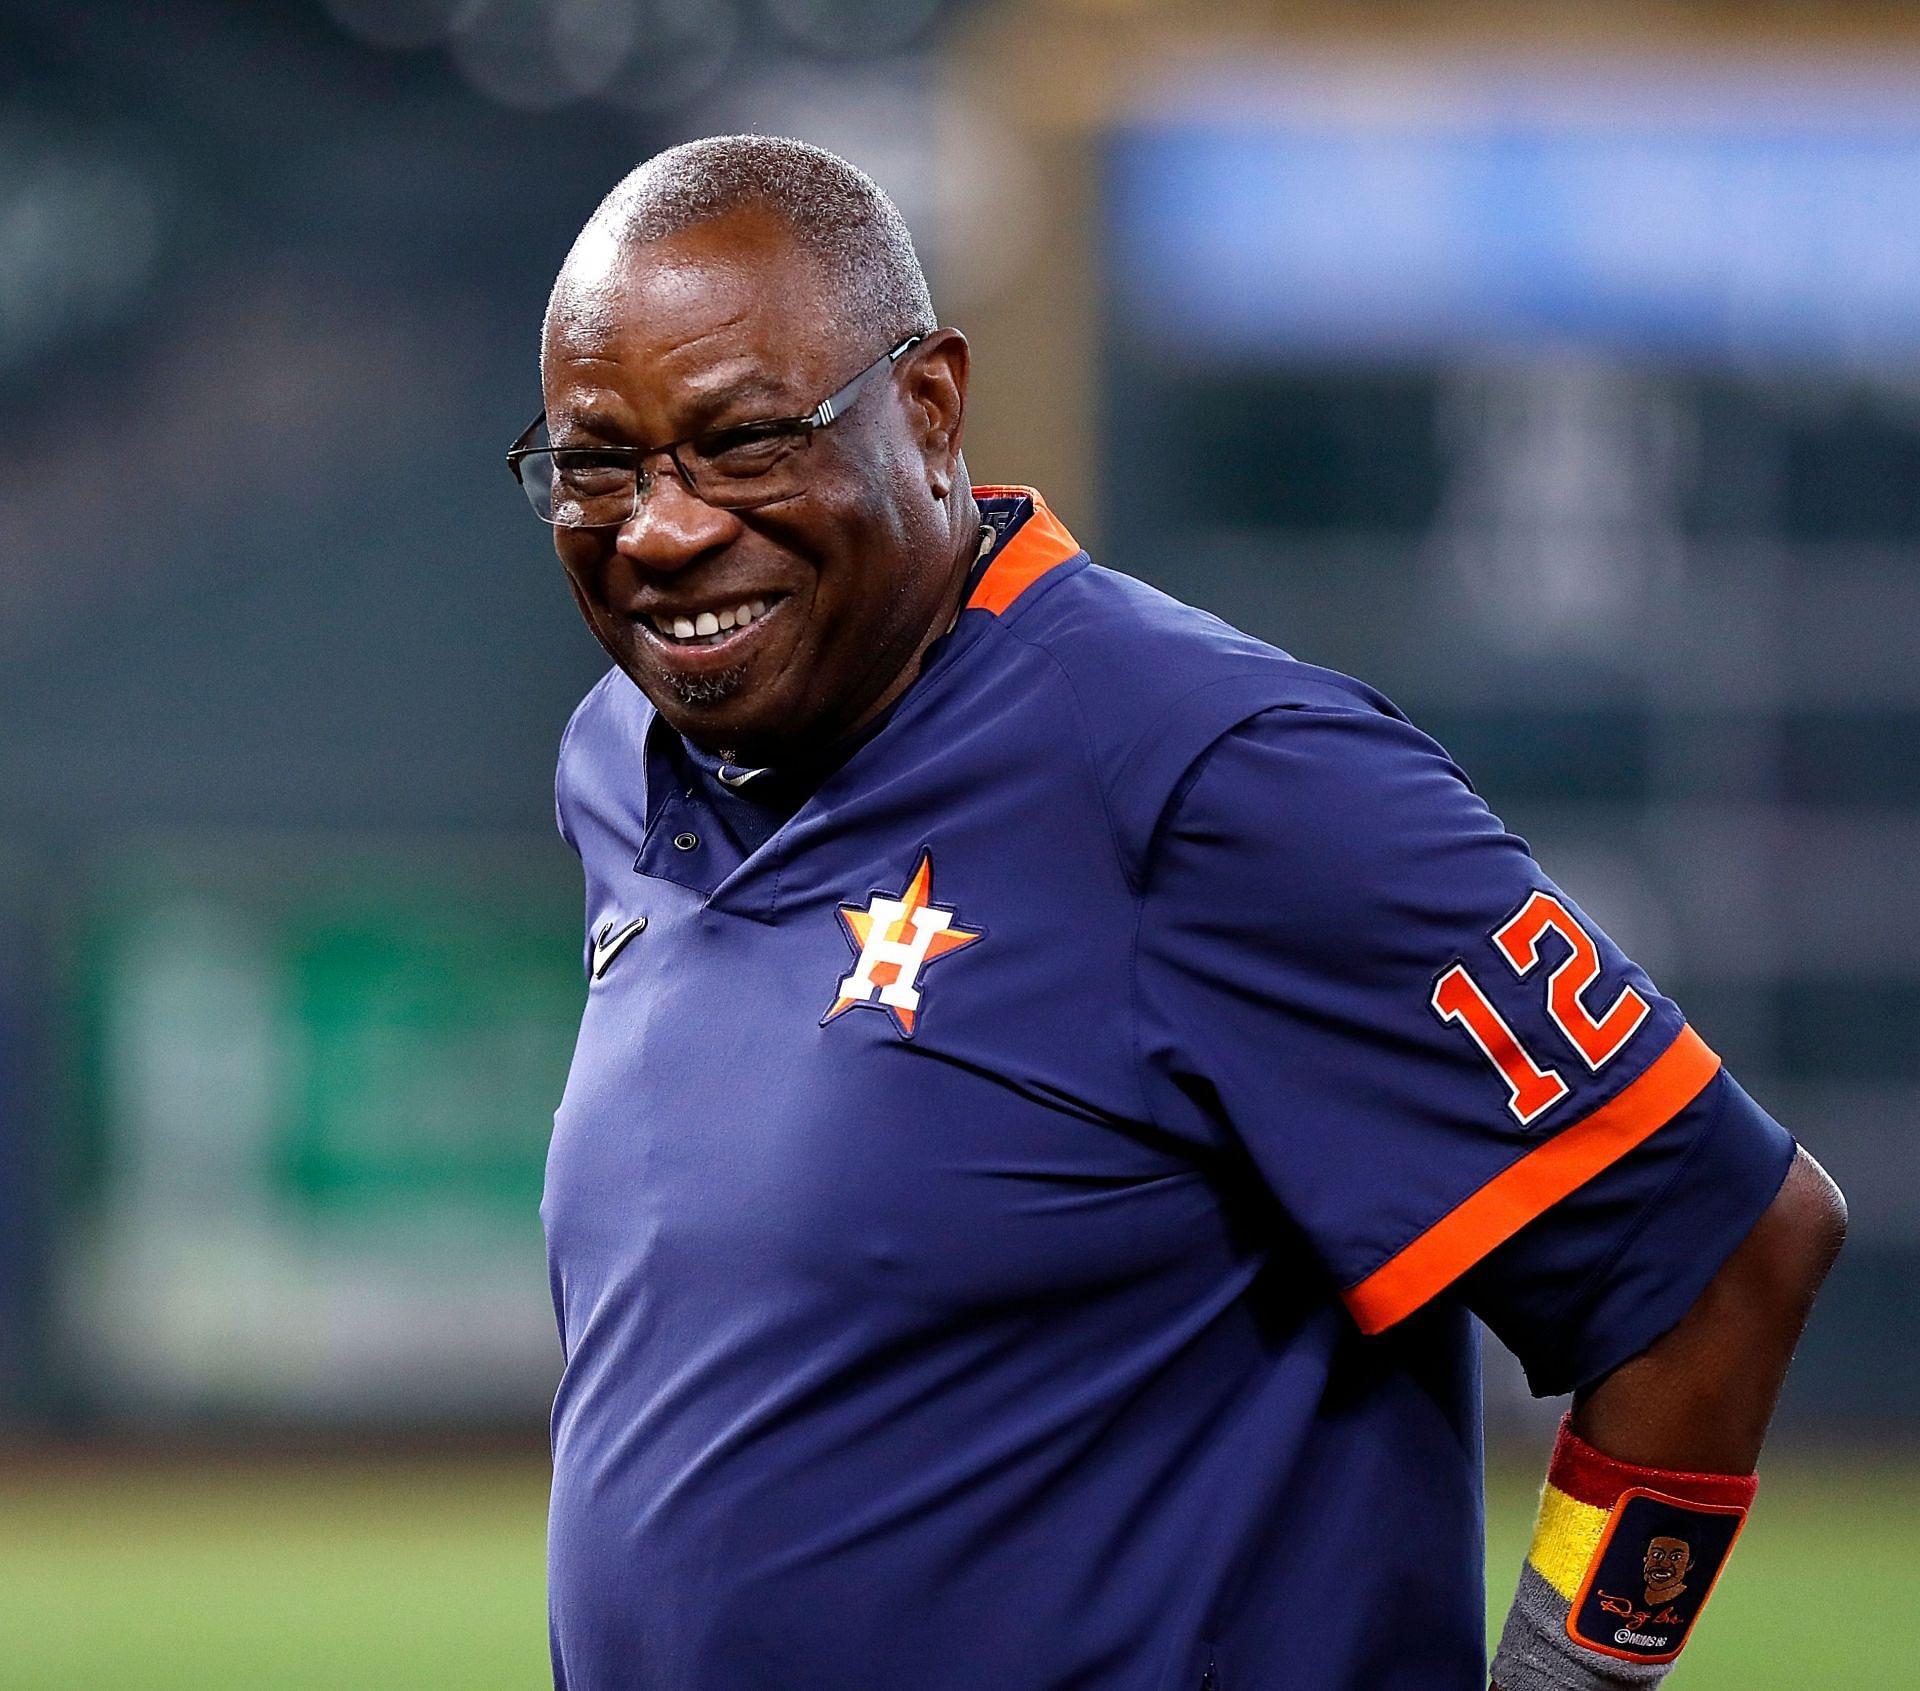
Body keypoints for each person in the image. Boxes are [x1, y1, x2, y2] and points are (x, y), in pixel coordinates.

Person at [516, 135, 1846, 1691]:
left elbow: (1727, 1252)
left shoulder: (1217, 774)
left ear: (930, 411)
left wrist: (1573, 1679)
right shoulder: (627, 758)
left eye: (744, 441)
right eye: (597, 463)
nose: (660, 530)